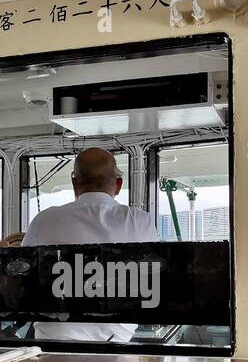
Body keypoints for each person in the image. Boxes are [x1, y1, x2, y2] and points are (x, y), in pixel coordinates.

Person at [21, 146, 160, 344]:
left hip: (52, 342)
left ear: (75, 184)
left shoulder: (44, 220)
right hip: (116, 342)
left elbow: (23, 277)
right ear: (118, 184)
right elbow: (151, 279)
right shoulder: (139, 221)